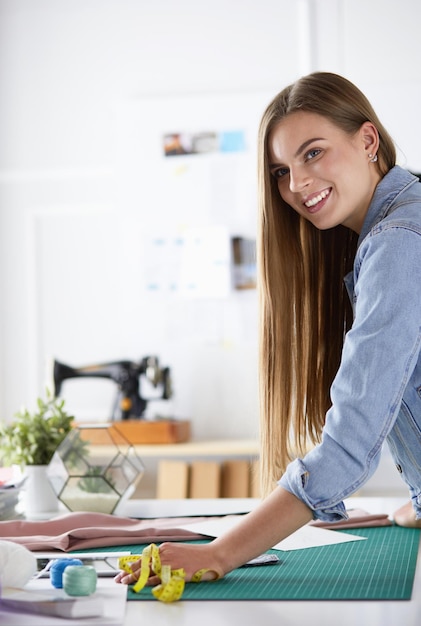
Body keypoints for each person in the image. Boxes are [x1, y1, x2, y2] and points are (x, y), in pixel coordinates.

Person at [115, 72, 421, 586]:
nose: (296, 184)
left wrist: (219, 553)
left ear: (367, 140)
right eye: (281, 170)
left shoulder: (398, 242)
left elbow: (352, 439)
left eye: (313, 153)